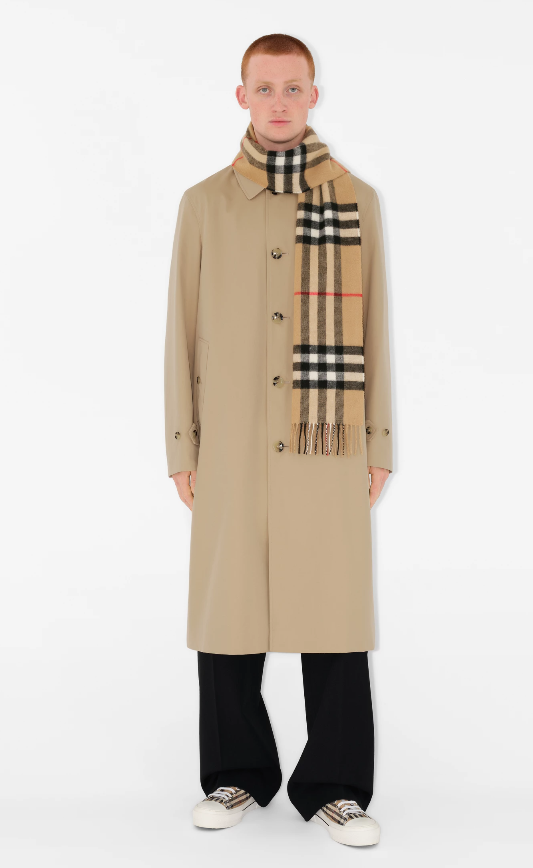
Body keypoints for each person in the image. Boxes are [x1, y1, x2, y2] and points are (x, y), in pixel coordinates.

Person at [164, 33, 393, 848]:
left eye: (293, 87)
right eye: (264, 88)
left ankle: (335, 786)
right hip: (230, 442)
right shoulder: (203, 203)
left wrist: (377, 442)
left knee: (333, 612)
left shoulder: (356, 200)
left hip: (325, 438)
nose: (279, 102)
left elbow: (373, 327)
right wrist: (182, 445)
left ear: (314, 94)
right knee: (227, 612)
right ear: (241, 96)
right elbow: (180, 332)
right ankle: (234, 774)